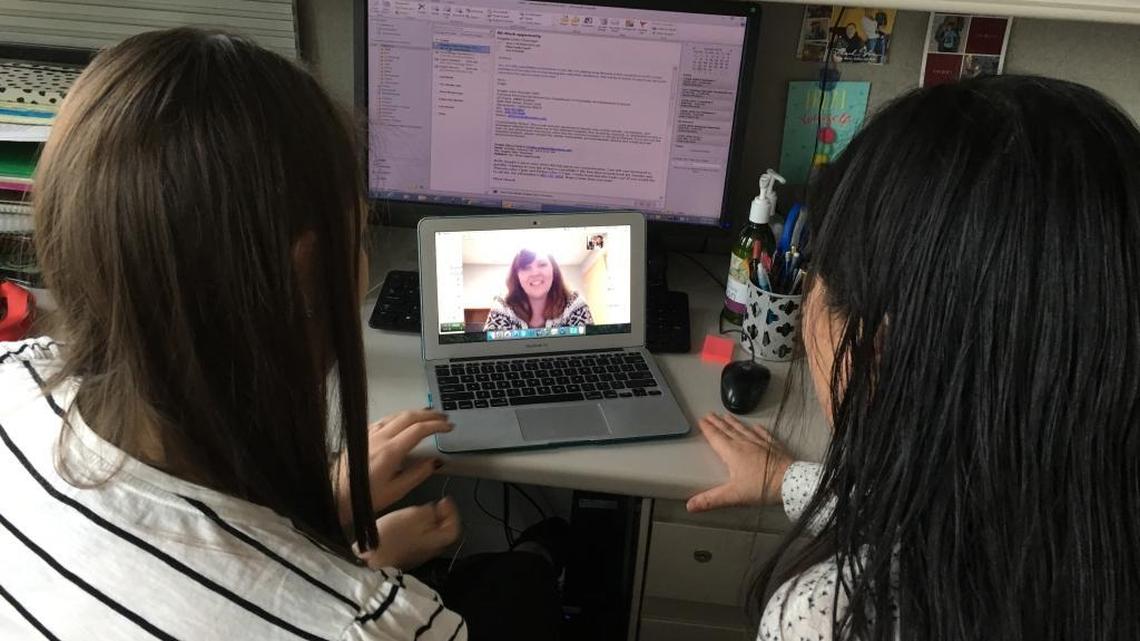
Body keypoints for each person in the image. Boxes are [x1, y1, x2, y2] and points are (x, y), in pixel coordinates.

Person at [0, 28, 559, 641]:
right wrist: (355, 568)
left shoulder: (15, 372)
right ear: (306, 273)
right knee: (517, 586)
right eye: (359, 235)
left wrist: (325, 513)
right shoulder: (372, 626)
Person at [686, 75, 1140, 641]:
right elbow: (937, 523)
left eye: (815, 270)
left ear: (876, 344)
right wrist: (788, 480)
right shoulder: (1084, 522)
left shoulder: (834, 616)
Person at [483, 249, 593, 330]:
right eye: (526, 268)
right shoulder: (502, 306)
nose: (535, 273)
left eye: (542, 264)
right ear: (517, 276)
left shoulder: (574, 303)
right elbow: (490, 351)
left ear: (553, 270)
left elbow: (588, 346)